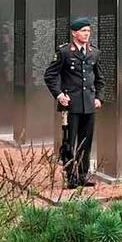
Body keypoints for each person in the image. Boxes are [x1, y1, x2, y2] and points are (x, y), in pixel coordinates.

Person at [44, 17, 104, 189]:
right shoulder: (64, 52)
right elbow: (50, 76)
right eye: (83, 31)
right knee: (69, 141)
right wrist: (59, 95)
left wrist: (99, 97)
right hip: (71, 105)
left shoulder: (94, 52)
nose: (86, 34)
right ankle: (71, 176)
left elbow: (100, 78)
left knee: (86, 141)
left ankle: (83, 175)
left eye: (88, 31)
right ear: (74, 33)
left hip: (89, 105)